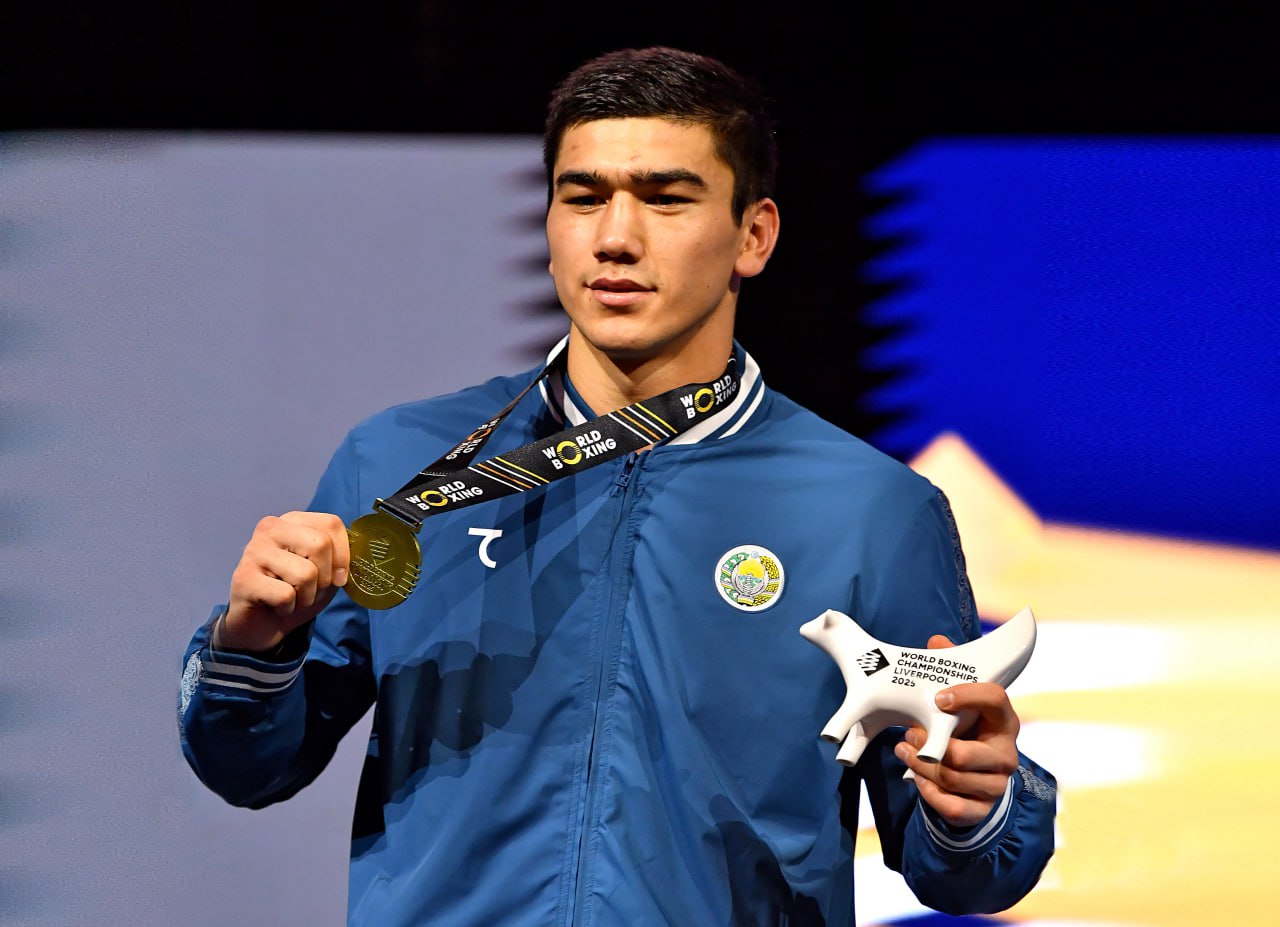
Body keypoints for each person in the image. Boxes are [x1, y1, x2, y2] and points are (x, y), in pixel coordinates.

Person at [179, 46, 1056, 925]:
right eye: (583, 196)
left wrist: (977, 804)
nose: (615, 237)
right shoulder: (401, 464)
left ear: (754, 235)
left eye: (666, 198)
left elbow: (966, 869)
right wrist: (253, 644)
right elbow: (249, 765)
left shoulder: (871, 510)